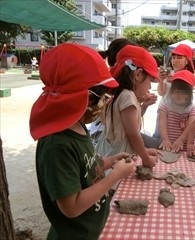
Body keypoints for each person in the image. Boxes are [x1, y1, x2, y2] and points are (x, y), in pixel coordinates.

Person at [29, 43, 136, 240]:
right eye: (97, 97)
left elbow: (85, 166)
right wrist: (115, 176)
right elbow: (72, 207)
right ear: (74, 96)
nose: (103, 103)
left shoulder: (77, 124)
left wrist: (110, 162)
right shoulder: (57, 145)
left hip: (90, 229)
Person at [96, 45, 160, 168]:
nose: (150, 87)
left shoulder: (119, 93)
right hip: (117, 162)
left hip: (109, 153)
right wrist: (146, 159)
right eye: (150, 81)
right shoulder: (127, 96)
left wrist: (144, 150)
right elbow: (133, 134)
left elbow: (127, 126)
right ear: (138, 74)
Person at [154, 43, 195, 139]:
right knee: (159, 136)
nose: (175, 60)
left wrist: (177, 80)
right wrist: (161, 80)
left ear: (187, 61)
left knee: (176, 138)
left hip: (180, 113)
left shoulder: (189, 75)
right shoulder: (168, 73)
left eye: (179, 57)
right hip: (164, 110)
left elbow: (188, 95)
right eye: (173, 57)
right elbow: (161, 93)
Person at [158, 70, 195, 152]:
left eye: (183, 92)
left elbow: (190, 126)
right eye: (175, 91)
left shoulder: (192, 108)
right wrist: (165, 139)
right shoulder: (165, 105)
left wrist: (181, 140)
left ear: (190, 93)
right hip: (169, 144)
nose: (178, 95)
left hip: (187, 146)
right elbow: (162, 123)